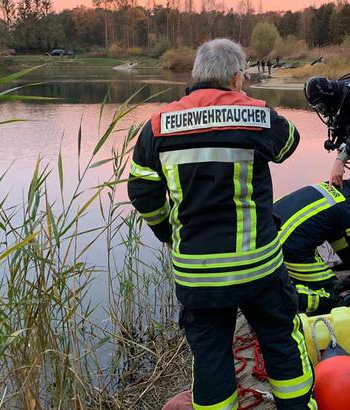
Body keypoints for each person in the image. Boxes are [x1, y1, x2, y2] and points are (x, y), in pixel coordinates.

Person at [127, 38, 316, 410]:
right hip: (258, 266)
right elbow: (289, 143)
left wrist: (167, 231)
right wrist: (249, 106)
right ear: (236, 77)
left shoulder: (157, 127)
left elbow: (142, 191)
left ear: (197, 75)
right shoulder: (257, 116)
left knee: (210, 357)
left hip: (198, 275)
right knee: (280, 341)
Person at [273, 175, 350, 315]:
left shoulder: (329, 188)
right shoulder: (349, 207)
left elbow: (334, 236)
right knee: (330, 293)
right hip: (290, 247)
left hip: (269, 234)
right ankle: (282, 298)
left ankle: (283, 283)